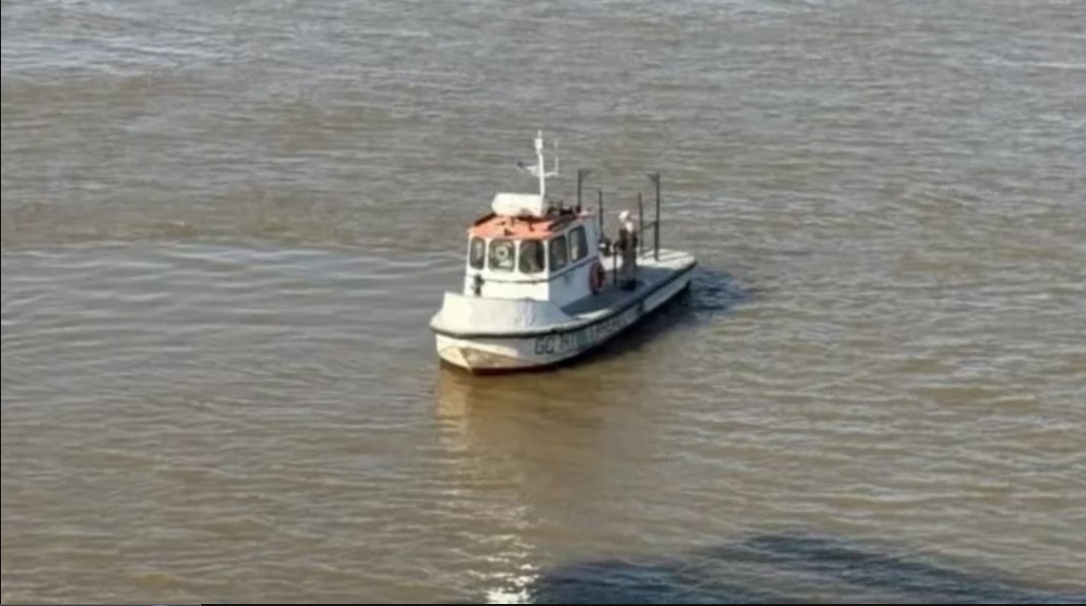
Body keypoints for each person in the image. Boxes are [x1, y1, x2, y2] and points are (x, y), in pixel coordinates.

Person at [615, 210, 639, 290]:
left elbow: (622, 240)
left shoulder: (624, 228)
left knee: (628, 266)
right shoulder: (632, 226)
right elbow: (634, 238)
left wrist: (618, 245)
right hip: (631, 248)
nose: (620, 220)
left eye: (621, 218)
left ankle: (630, 284)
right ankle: (630, 281)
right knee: (630, 265)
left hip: (627, 249)